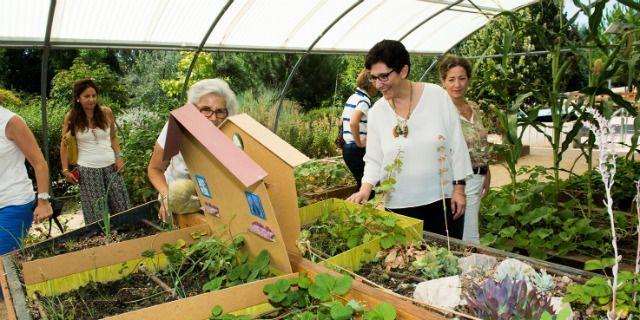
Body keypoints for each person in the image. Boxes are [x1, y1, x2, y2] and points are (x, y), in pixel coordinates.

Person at [346, 40, 472, 239]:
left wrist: (459, 189)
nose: (378, 85)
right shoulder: (377, 112)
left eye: (384, 76)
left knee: (449, 262)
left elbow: (457, 145)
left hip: (442, 201)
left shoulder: (437, 97)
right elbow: (374, 158)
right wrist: (364, 190)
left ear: (403, 71)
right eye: (373, 78)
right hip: (399, 206)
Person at [147, 78, 238, 221]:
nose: (213, 118)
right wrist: (166, 197)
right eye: (206, 110)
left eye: (220, 111)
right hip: (179, 199)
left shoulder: (231, 137)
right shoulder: (177, 129)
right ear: (193, 109)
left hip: (213, 202)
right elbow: (155, 170)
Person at [60, 79, 131, 225]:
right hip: (88, 171)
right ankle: (102, 245)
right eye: (86, 96)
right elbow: (64, 145)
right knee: (96, 216)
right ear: (78, 98)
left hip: (111, 167)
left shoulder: (106, 113)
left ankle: (129, 240)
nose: (91, 99)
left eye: (94, 95)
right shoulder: (71, 117)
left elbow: (113, 137)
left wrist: (119, 157)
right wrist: (66, 169)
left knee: (123, 209)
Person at [439, 55, 491, 244]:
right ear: (443, 82)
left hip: (477, 178)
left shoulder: (474, 107)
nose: (457, 84)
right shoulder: (442, 112)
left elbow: (480, 144)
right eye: (451, 79)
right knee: (468, 236)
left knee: (469, 232)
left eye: (462, 78)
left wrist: (486, 173)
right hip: (458, 181)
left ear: (468, 79)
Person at [0, 94, 53, 254]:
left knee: (3, 264)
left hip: (13, 202)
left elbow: (39, 163)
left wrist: (43, 201)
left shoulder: (10, 121)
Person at [340, 68, 378, 195]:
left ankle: (353, 211)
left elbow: (341, 120)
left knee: (362, 186)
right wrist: (359, 142)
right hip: (355, 149)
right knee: (368, 190)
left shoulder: (353, 97)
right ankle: (353, 211)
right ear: (371, 84)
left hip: (348, 148)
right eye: (376, 82)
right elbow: (353, 122)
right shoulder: (364, 101)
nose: (378, 87)